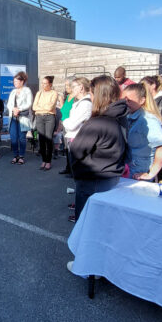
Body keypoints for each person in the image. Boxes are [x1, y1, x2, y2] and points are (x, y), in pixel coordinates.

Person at [70, 75, 127, 221]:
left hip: (93, 179)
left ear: (99, 95)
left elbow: (76, 150)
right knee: (101, 221)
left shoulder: (98, 123)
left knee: (87, 223)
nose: (90, 96)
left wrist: (77, 172)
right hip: (110, 178)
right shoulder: (121, 117)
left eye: (91, 93)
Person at [122, 83, 162, 181]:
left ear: (142, 100)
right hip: (128, 172)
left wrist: (150, 174)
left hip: (139, 175)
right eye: (124, 100)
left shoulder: (148, 120)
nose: (126, 103)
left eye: (129, 100)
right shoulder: (128, 117)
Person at [61, 77, 93, 177]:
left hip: (79, 139)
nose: (71, 88)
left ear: (81, 88)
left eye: (73, 86)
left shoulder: (85, 104)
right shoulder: (79, 102)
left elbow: (71, 125)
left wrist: (64, 120)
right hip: (75, 138)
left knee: (80, 172)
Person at [6, 71, 33, 165]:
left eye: (16, 81)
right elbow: (8, 104)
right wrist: (13, 109)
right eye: (14, 82)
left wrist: (19, 109)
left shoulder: (27, 90)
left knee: (22, 138)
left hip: (23, 117)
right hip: (13, 117)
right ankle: (15, 155)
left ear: (22, 81)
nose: (15, 83)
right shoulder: (13, 91)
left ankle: (21, 156)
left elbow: (29, 103)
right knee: (13, 138)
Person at [32, 76, 59, 170]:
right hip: (39, 117)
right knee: (41, 139)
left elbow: (50, 107)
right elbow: (34, 107)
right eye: (42, 83)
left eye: (45, 83)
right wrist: (44, 107)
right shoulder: (39, 93)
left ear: (50, 84)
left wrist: (41, 107)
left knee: (48, 139)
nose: (43, 85)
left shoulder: (54, 93)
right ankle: (43, 160)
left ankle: (48, 161)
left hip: (49, 117)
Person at [58, 78, 75, 173]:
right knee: (66, 147)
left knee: (71, 147)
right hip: (65, 124)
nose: (66, 87)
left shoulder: (75, 98)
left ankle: (72, 169)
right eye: (66, 85)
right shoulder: (67, 96)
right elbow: (63, 110)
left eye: (68, 86)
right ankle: (68, 167)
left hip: (71, 125)